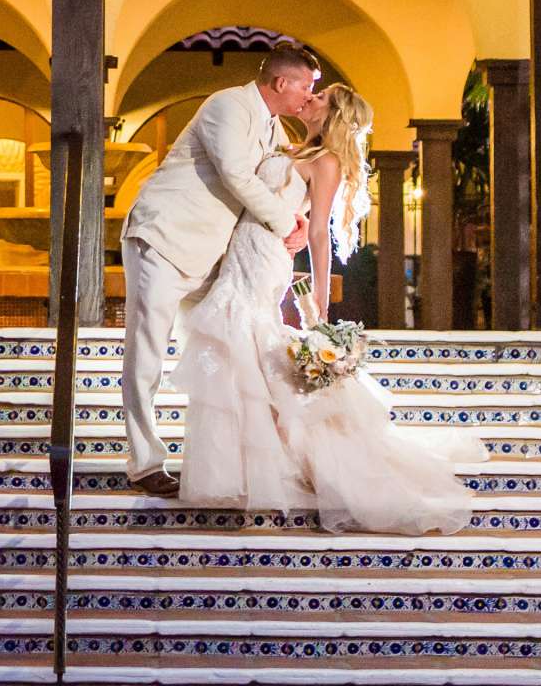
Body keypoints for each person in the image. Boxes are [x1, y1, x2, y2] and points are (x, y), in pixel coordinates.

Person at [173, 83, 484, 534]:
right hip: (245, 245)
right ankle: (246, 468)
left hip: (265, 257)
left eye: (321, 98)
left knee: (245, 339)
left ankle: (265, 482)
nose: (310, 98)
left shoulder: (327, 161)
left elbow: (319, 232)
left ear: (332, 115)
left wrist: (318, 299)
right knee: (241, 350)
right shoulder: (292, 146)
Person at [116, 41, 319, 493]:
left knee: (228, 351)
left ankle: (227, 460)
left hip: (214, 257)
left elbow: (286, 175)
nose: (308, 95)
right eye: (306, 86)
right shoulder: (227, 105)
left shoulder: (274, 126)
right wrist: (288, 222)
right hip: (165, 237)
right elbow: (238, 175)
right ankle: (144, 462)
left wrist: (306, 221)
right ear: (281, 82)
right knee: (147, 348)